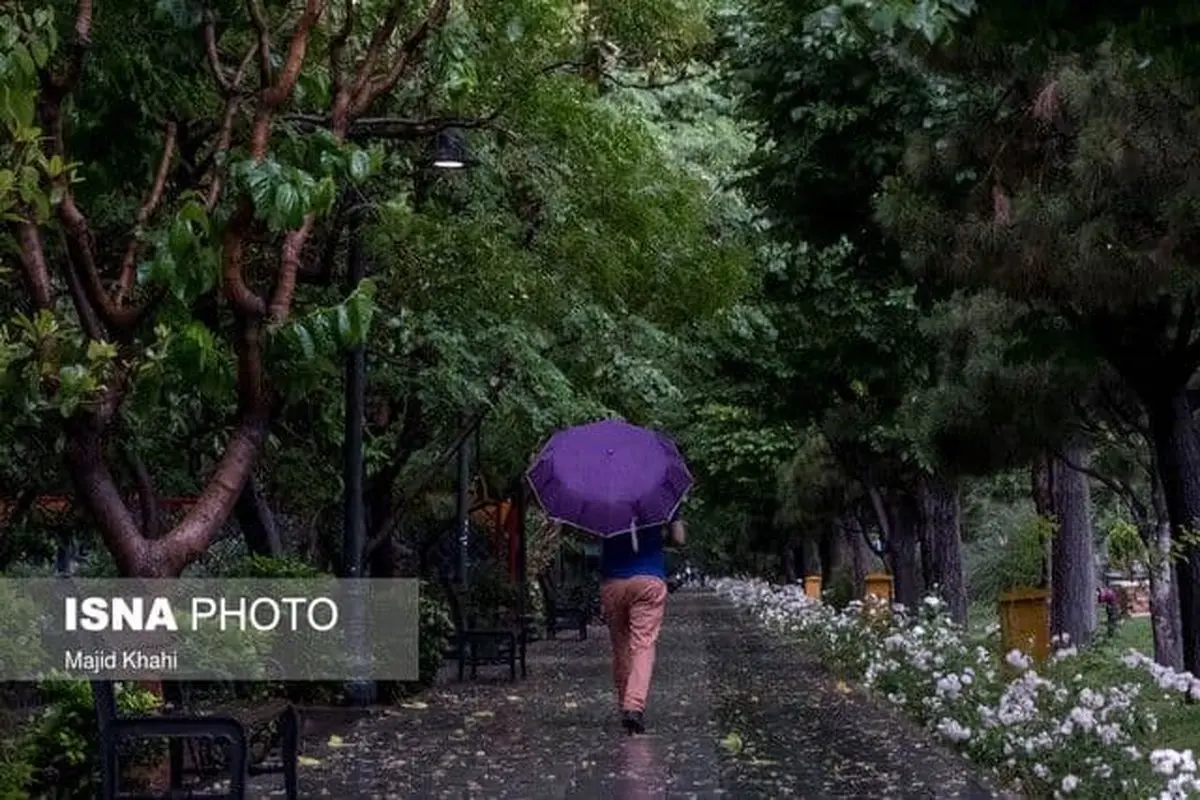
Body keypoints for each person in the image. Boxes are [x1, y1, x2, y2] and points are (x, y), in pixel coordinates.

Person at [599, 511, 686, 734]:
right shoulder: (659, 496)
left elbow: (591, 534)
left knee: (621, 648)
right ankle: (633, 706)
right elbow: (679, 539)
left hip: (613, 581)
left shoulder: (605, 499)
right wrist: (661, 533)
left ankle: (624, 706)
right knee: (643, 644)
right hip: (649, 579)